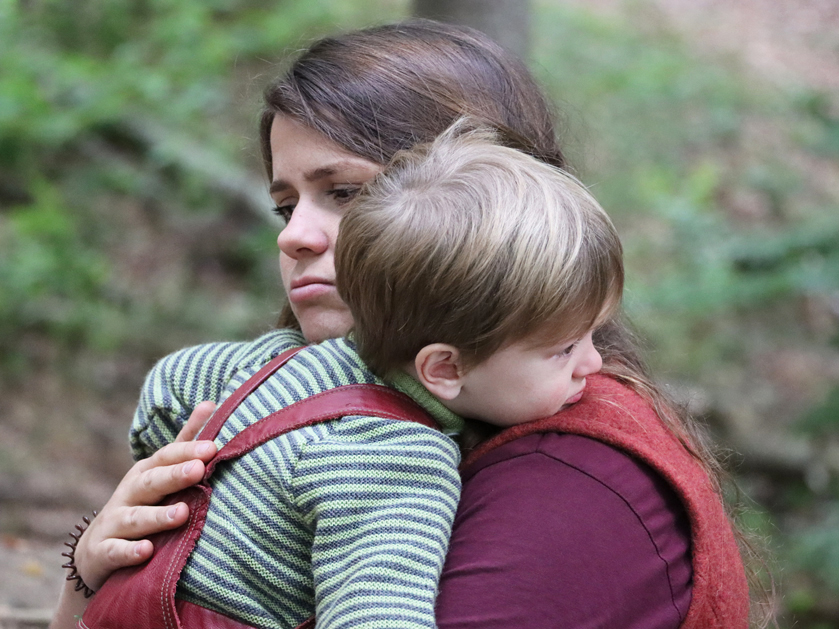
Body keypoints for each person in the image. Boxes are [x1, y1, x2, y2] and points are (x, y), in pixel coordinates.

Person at [52, 19, 763, 629]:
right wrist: (95, 569)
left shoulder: (567, 481)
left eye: (346, 193)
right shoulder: (294, 388)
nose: (294, 235)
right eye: (284, 204)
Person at [80, 124, 622, 629]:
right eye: (564, 350)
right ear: (445, 368)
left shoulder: (278, 359)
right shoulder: (397, 459)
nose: (594, 365)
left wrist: (169, 464)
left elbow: (170, 383)